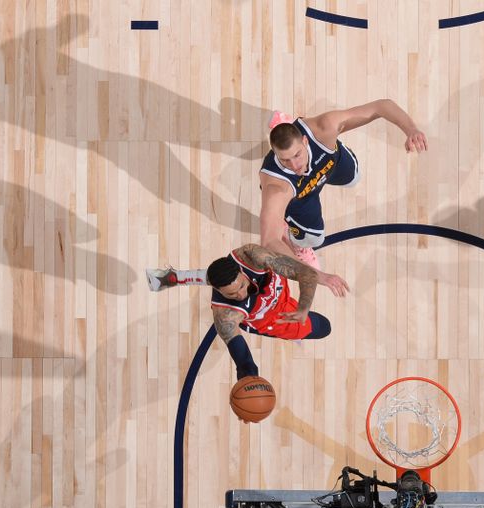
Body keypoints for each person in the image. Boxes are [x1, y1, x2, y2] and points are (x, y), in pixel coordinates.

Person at [261, 101, 428, 269]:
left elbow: (380, 107)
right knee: (313, 239)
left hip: (329, 165)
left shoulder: (325, 128)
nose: (294, 165)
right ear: (275, 155)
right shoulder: (277, 188)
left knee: (354, 177)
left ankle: (285, 127)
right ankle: (293, 238)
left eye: (297, 155)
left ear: (305, 141)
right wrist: (312, 274)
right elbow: (269, 241)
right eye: (285, 160)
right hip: (300, 197)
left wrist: (411, 130)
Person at [146, 243, 349, 380]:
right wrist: (249, 380)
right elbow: (243, 360)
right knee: (324, 327)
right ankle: (175, 278)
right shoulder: (225, 315)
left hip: (279, 292)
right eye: (232, 294)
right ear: (217, 291)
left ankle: (174, 277)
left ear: (242, 272)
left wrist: (304, 307)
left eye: (241, 286)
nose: (241, 295)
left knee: (277, 247)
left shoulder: (251, 257)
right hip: (270, 318)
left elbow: (305, 273)